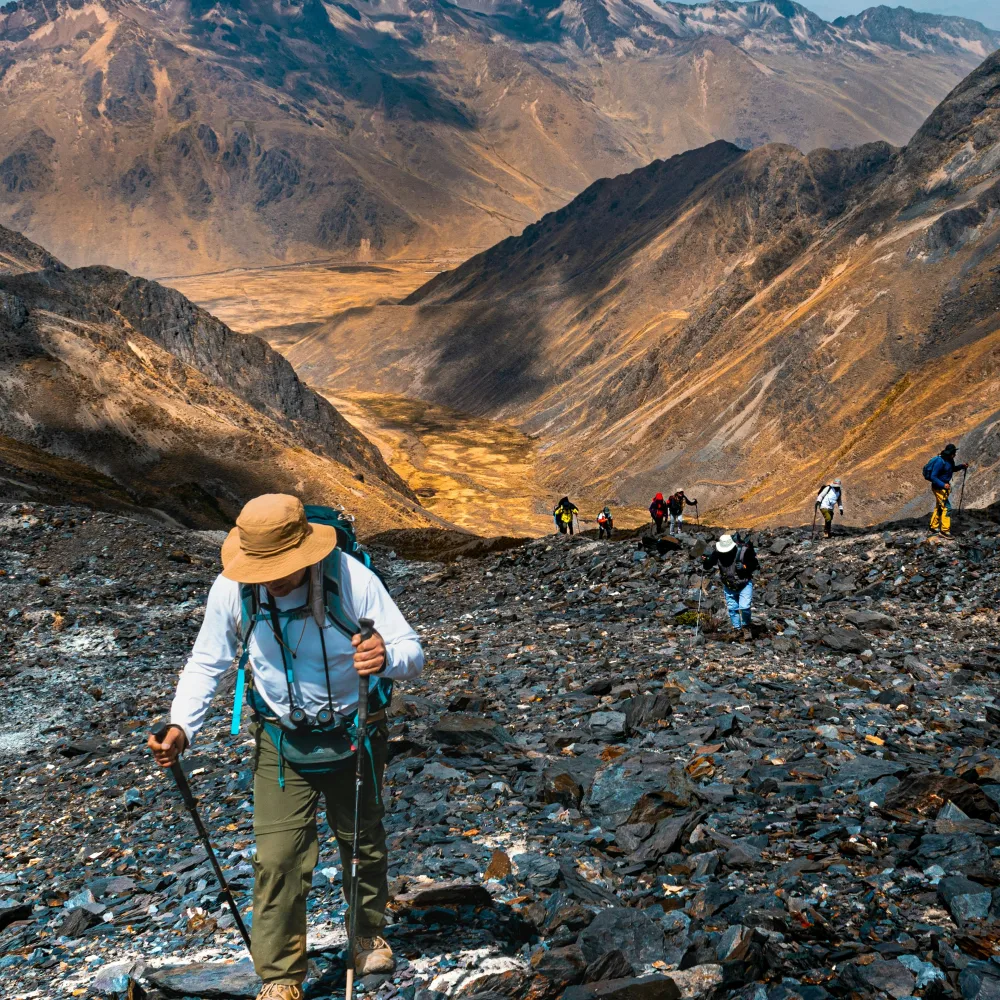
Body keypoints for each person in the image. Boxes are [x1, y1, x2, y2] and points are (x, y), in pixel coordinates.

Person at [148, 495, 424, 1000]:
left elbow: (412, 652)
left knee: (362, 841)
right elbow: (208, 662)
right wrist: (181, 726)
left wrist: (384, 656)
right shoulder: (235, 587)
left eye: (279, 566)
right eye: (262, 567)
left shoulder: (352, 577)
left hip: (356, 730)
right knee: (277, 857)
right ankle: (279, 977)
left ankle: (364, 935)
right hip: (279, 739)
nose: (270, 578)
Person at [702, 532, 760, 641]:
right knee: (733, 609)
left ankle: (746, 627)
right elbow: (707, 566)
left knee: (744, 607)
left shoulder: (743, 552)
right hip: (729, 585)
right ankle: (737, 629)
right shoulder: (718, 553)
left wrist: (745, 567)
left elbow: (755, 564)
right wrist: (706, 561)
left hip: (744, 583)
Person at [924, 444, 968, 538]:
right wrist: (943, 484)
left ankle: (933, 526)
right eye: (954, 453)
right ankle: (944, 531)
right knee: (947, 508)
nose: (955, 454)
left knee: (940, 506)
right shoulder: (940, 462)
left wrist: (961, 466)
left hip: (944, 487)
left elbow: (952, 469)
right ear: (951, 453)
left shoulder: (949, 460)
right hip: (939, 488)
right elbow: (933, 476)